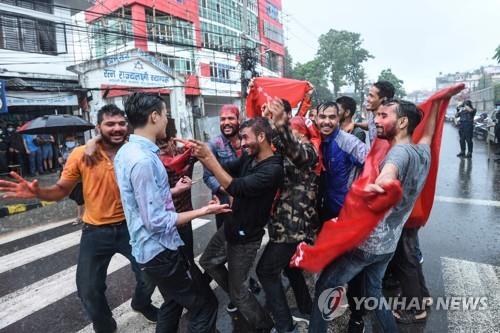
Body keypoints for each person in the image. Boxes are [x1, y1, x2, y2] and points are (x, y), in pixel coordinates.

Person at [0, 105, 158, 333]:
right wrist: (38, 192)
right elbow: (61, 190)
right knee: (88, 289)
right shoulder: (81, 155)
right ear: (98, 127)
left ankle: (142, 303)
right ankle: (105, 326)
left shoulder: (134, 151)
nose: (117, 128)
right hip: (95, 231)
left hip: (132, 229)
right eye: (110, 124)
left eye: (121, 123)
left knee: (149, 274)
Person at [309, 98, 439, 333]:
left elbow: (389, 172)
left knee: (325, 288)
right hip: (388, 245)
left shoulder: (397, 154)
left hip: (367, 244)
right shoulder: (422, 151)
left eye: (382, 116)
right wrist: (439, 102)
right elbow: (429, 134)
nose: (376, 121)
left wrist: (377, 186)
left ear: (402, 122)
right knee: (374, 293)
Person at [114, 93, 229, 333]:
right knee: (205, 305)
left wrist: (172, 190)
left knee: (174, 302)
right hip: (160, 252)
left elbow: (142, 199)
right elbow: (157, 221)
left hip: (151, 250)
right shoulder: (143, 160)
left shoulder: (126, 152)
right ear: (154, 116)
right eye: (165, 115)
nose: (167, 120)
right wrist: (204, 210)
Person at [191, 117, 285, 333]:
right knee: (208, 262)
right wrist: (200, 155)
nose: (241, 143)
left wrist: (209, 158)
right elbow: (224, 169)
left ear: (261, 137)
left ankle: (265, 326)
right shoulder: (248, 158)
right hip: (231, 226)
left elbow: (235, 187)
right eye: (240, 138)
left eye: (245, 137)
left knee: (239, 293)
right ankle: (236, 292)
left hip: (246, 238)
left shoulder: (273, 169)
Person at [256, 99, 318, 333]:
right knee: (290, 268)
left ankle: (284, 326)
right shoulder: (286, 148)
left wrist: (282, 125)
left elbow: (296, 150)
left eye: (294, 130)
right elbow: (280, 144)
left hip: (292, 225)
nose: (289, 135)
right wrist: (270, 122)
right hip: (282, 223)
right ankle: (306, 306)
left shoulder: (309, 151)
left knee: (266, 271)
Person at [314, 101, 369, 332]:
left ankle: (357, 317)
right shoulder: (315, 139)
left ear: (339, 119)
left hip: (348, 216)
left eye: (331, 117)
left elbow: (373, 165)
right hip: (327, 213)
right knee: (329, 265)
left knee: (353, 271)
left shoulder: (348, 142)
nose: (326, 121)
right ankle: (330, 305)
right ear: (316, 118)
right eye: (322, 117)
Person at [203, 105, 242, 230]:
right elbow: (208, 176)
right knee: (225, 239)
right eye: (223, 119)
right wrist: (230, 190)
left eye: (231, 118)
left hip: (246, 198)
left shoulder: (247, 141)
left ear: (239, 120)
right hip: (224, 202)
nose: (226, 123)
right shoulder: (214, 145)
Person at [58, 135, 85, 225]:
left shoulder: (80, 149)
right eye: (68, 140)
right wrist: (61, 161)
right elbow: (62, 162)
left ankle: (80, 216)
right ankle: (83, 213)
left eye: (71, 140)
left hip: (78, 177)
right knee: (74, 195)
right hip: (68, 177)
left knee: (79, 197)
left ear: (75, 139)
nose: (69, 142)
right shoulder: (63, 150)